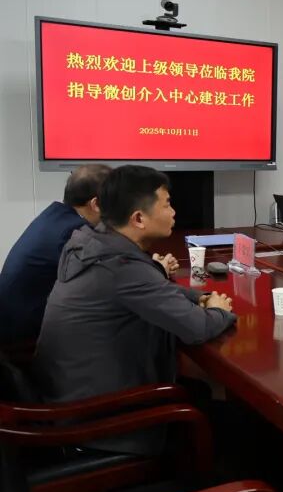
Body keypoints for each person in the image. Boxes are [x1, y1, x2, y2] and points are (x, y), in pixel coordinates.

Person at [32, 166, 236, 454]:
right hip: (97, 424)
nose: (174, 212)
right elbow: (197, 328)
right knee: (228, 423)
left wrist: (195, 296)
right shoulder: (121, 267)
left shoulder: (92, 242)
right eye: (166, 204)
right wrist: (218, 310)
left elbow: (149, 287)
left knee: (200, 394)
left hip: (68, 398)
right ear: (138, 218)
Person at [0, 164, 111, 362]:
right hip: (22, 339)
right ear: (96, 204)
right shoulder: (75, 231)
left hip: (12, 325)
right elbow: (107, 280)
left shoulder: (55, 215)